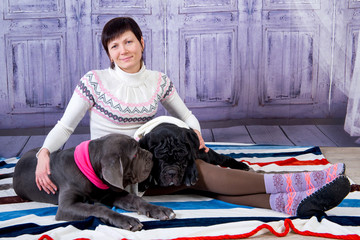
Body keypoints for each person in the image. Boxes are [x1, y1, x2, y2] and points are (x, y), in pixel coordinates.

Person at [36, 17, 351, 217]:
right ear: (108, 53)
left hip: (150, 162)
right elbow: (66, 125)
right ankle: (301, 181)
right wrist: (44, 153)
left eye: (128, 41)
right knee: (200, 173)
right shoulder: (94, 81)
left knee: (201, 180)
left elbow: (185, 114)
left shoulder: (159, 80)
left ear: (141, 43)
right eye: (114, 46)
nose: (123, 51)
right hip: (116, 172)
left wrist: (196, 134)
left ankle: (294, 203)